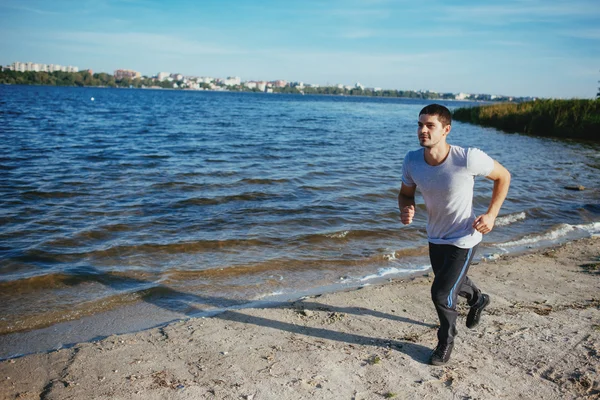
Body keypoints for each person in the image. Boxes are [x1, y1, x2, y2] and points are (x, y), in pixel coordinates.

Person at [398, 104, 511, 366]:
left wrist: (491, 215)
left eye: (430, 126)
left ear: (446, 130)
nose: (422, 130)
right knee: (452, 285)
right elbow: (405, 193)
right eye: (419, 124)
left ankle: (445, 341)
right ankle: (479, 299)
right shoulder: (412, 160)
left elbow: (503, 176)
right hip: (435, 237)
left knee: (441, 293)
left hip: (464, 237)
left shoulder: (467, 158)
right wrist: (406, 208)